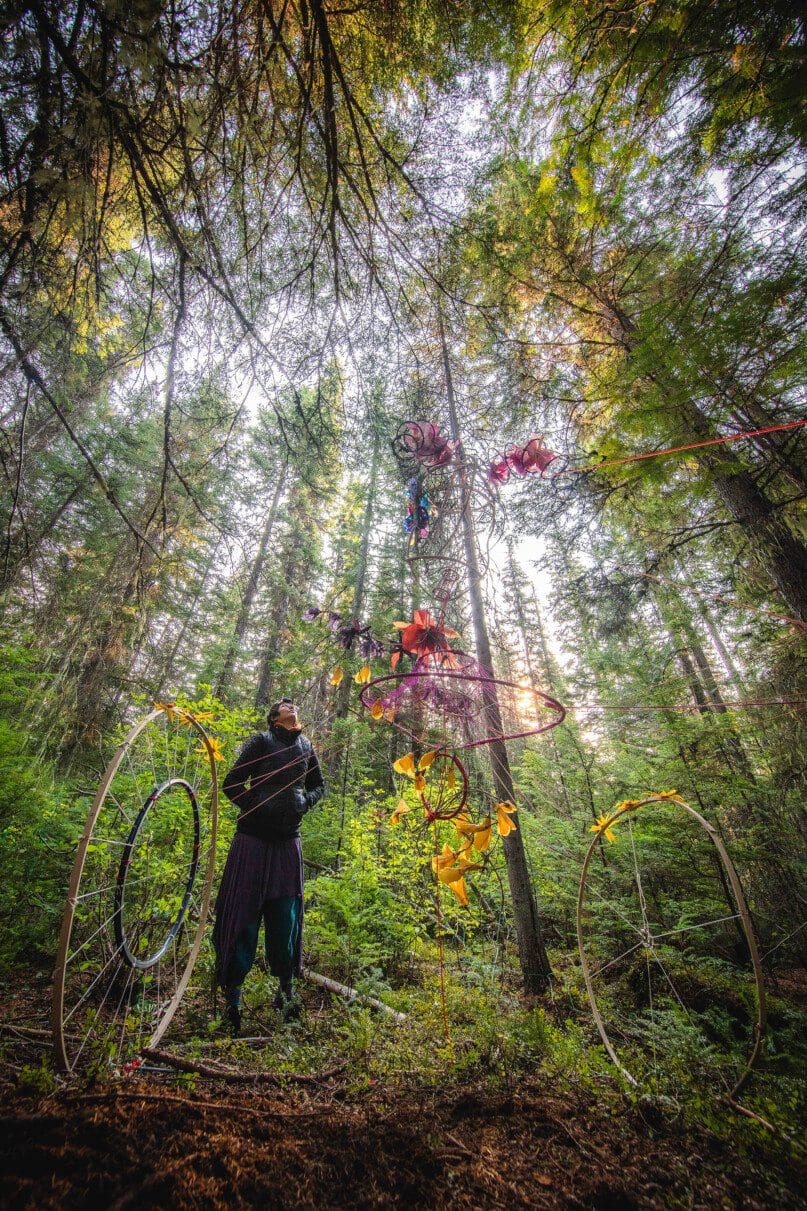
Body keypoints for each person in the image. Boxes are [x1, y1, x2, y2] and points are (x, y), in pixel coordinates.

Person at [213, 698, 325, 1033]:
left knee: (285, 919)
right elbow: (232, 784)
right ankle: (232, 1005)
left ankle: (286, 994)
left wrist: (305, 802)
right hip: (251, 842)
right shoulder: (260, 742)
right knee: (241, 918)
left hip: (287, 844)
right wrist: (255, 806)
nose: (293, 708)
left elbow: (319, 784)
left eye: (295, 706)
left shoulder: (306, 747)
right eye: (285, 707)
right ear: (274, 718)